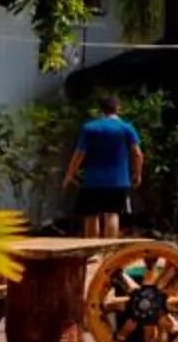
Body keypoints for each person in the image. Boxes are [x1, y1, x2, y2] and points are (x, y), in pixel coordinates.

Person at [61, 97, 144, 238]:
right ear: (118, 108)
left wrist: (70, 174)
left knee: (91, 215)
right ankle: (108, 252)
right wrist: (137, 173)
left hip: (92, 180)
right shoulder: (126, 128)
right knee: (112, 214)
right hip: (118, 180)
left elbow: (79, 154)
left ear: (101, 110)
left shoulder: (90, 128)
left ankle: (92, 252)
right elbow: (137, 153)